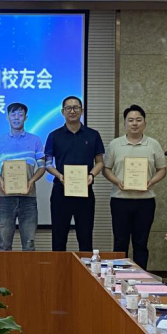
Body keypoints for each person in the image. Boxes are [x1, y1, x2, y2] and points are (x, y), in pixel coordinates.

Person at [102, 105, 166, 269]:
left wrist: (151, 182)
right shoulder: (115, 144)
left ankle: (141, 277)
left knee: (141, 243)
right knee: (120, 242)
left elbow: (162, 169)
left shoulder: (153, 144)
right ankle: (117, 278)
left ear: (145, 123)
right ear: (125, 123)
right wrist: (117, 181)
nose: (134, 123)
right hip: (120, 200)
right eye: (130, 120)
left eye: (138, 120)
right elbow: (106, 169)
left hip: (145, 201)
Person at [45, 96, 104, 252]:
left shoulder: (93, 135)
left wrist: (91, 175)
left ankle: (85, 267)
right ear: (62, 112)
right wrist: (59, 175)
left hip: (85, 192)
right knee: (59, 238)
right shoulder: (54, 135)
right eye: (68, 108)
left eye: (76, 108)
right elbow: (48, 164)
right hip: (61, 191)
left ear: (82, 111)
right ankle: (58, 268)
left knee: (85, 238)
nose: (72, 111)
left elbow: (99, 162)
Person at [0, 103, 46, 251]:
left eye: (20, 115)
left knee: (29, 245)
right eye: (13, 114)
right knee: (4, 244)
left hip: (28, 198)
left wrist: (32, 181)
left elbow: (42, 166)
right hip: (5, 198)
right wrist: (1, 180)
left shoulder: (35, 140)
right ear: (8, 117)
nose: (16, 118)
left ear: (25, 117)